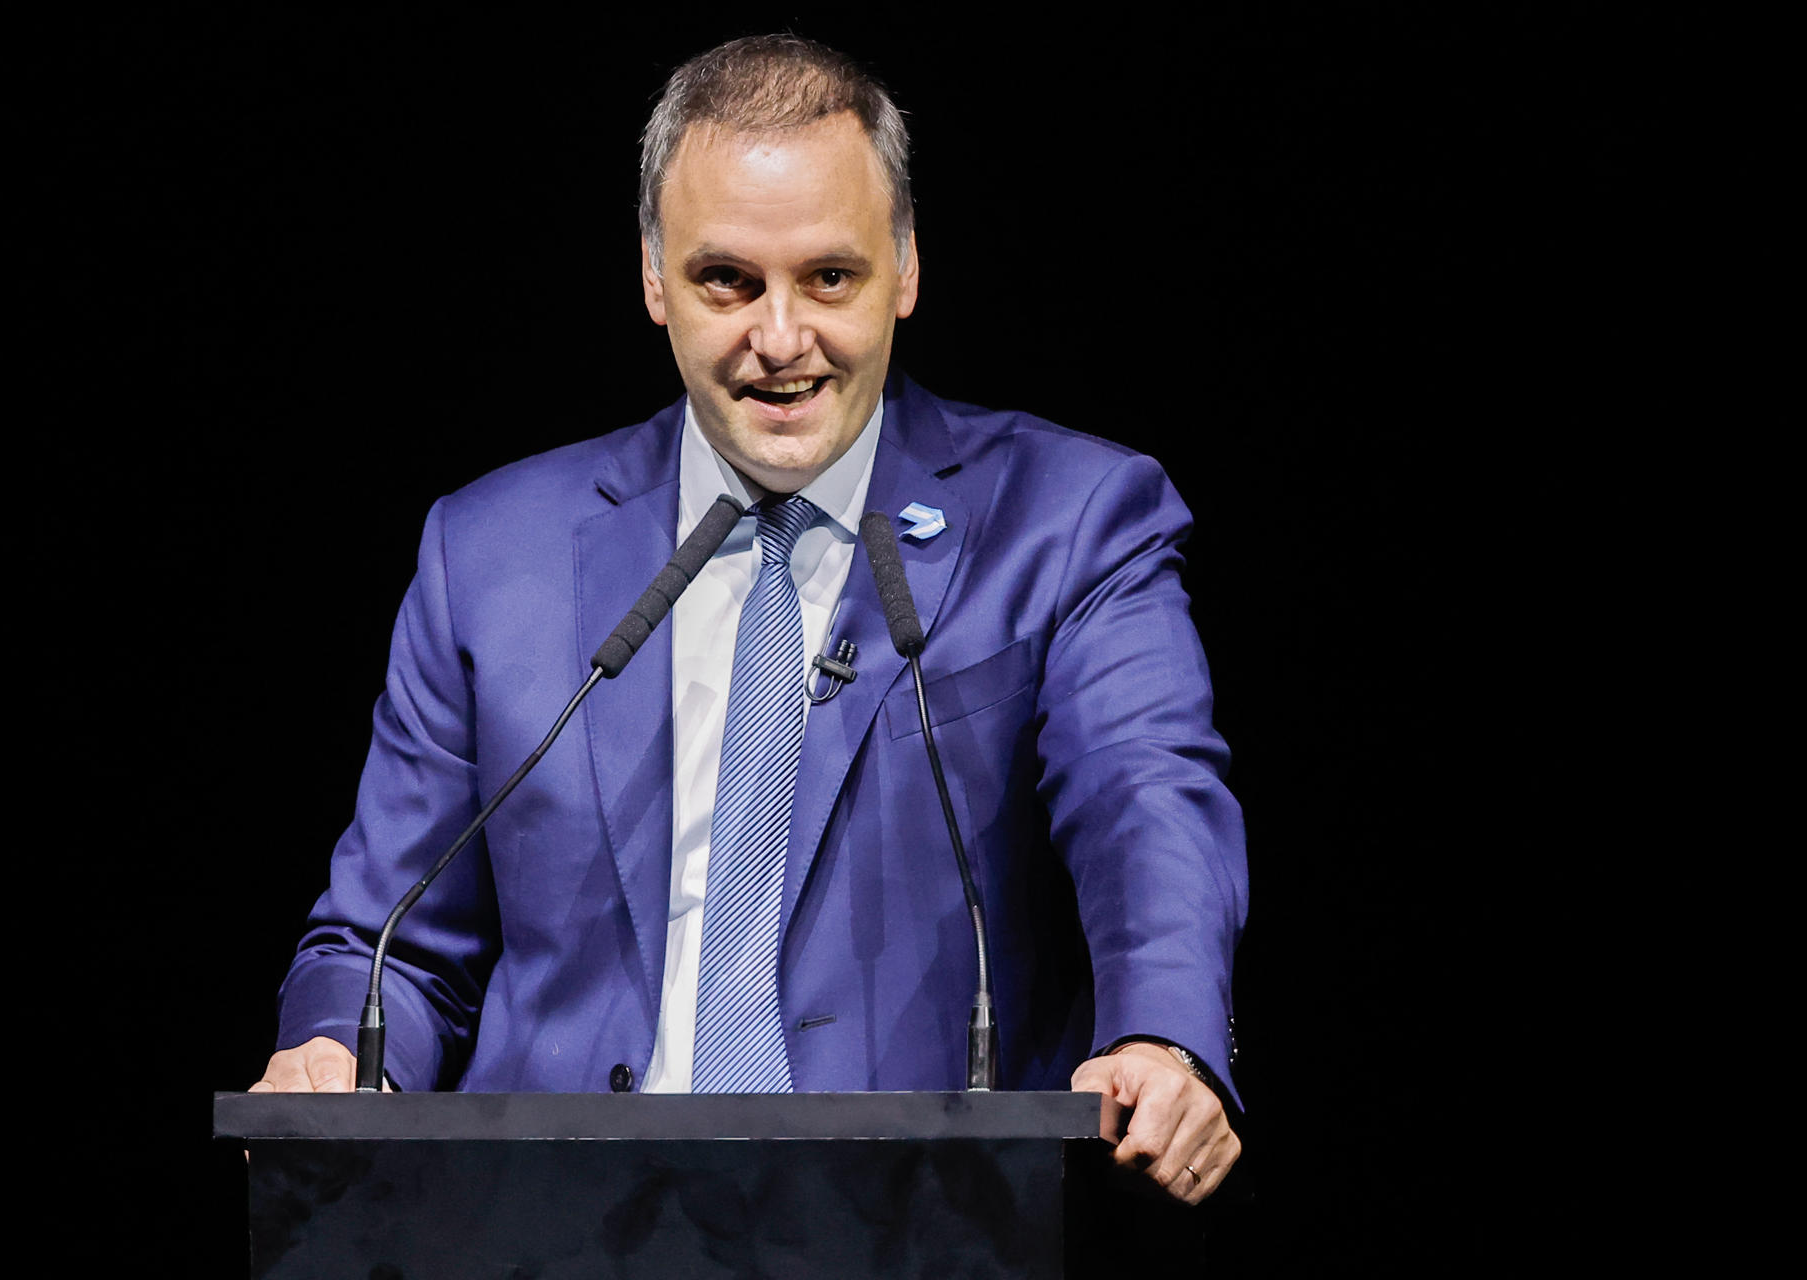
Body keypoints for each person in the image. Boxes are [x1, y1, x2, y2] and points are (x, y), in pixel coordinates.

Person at [252, 34, 1247, 1206]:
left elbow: (1146, 798)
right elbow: (391, 944)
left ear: (907, 271)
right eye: (729, 279)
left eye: (831, 277)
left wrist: (1164, 1034)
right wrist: (336, 1056)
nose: (781, 340)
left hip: (922, 1221)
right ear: (653, 277)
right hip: (546, 1229)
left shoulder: (1071, 520)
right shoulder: (490, 552)